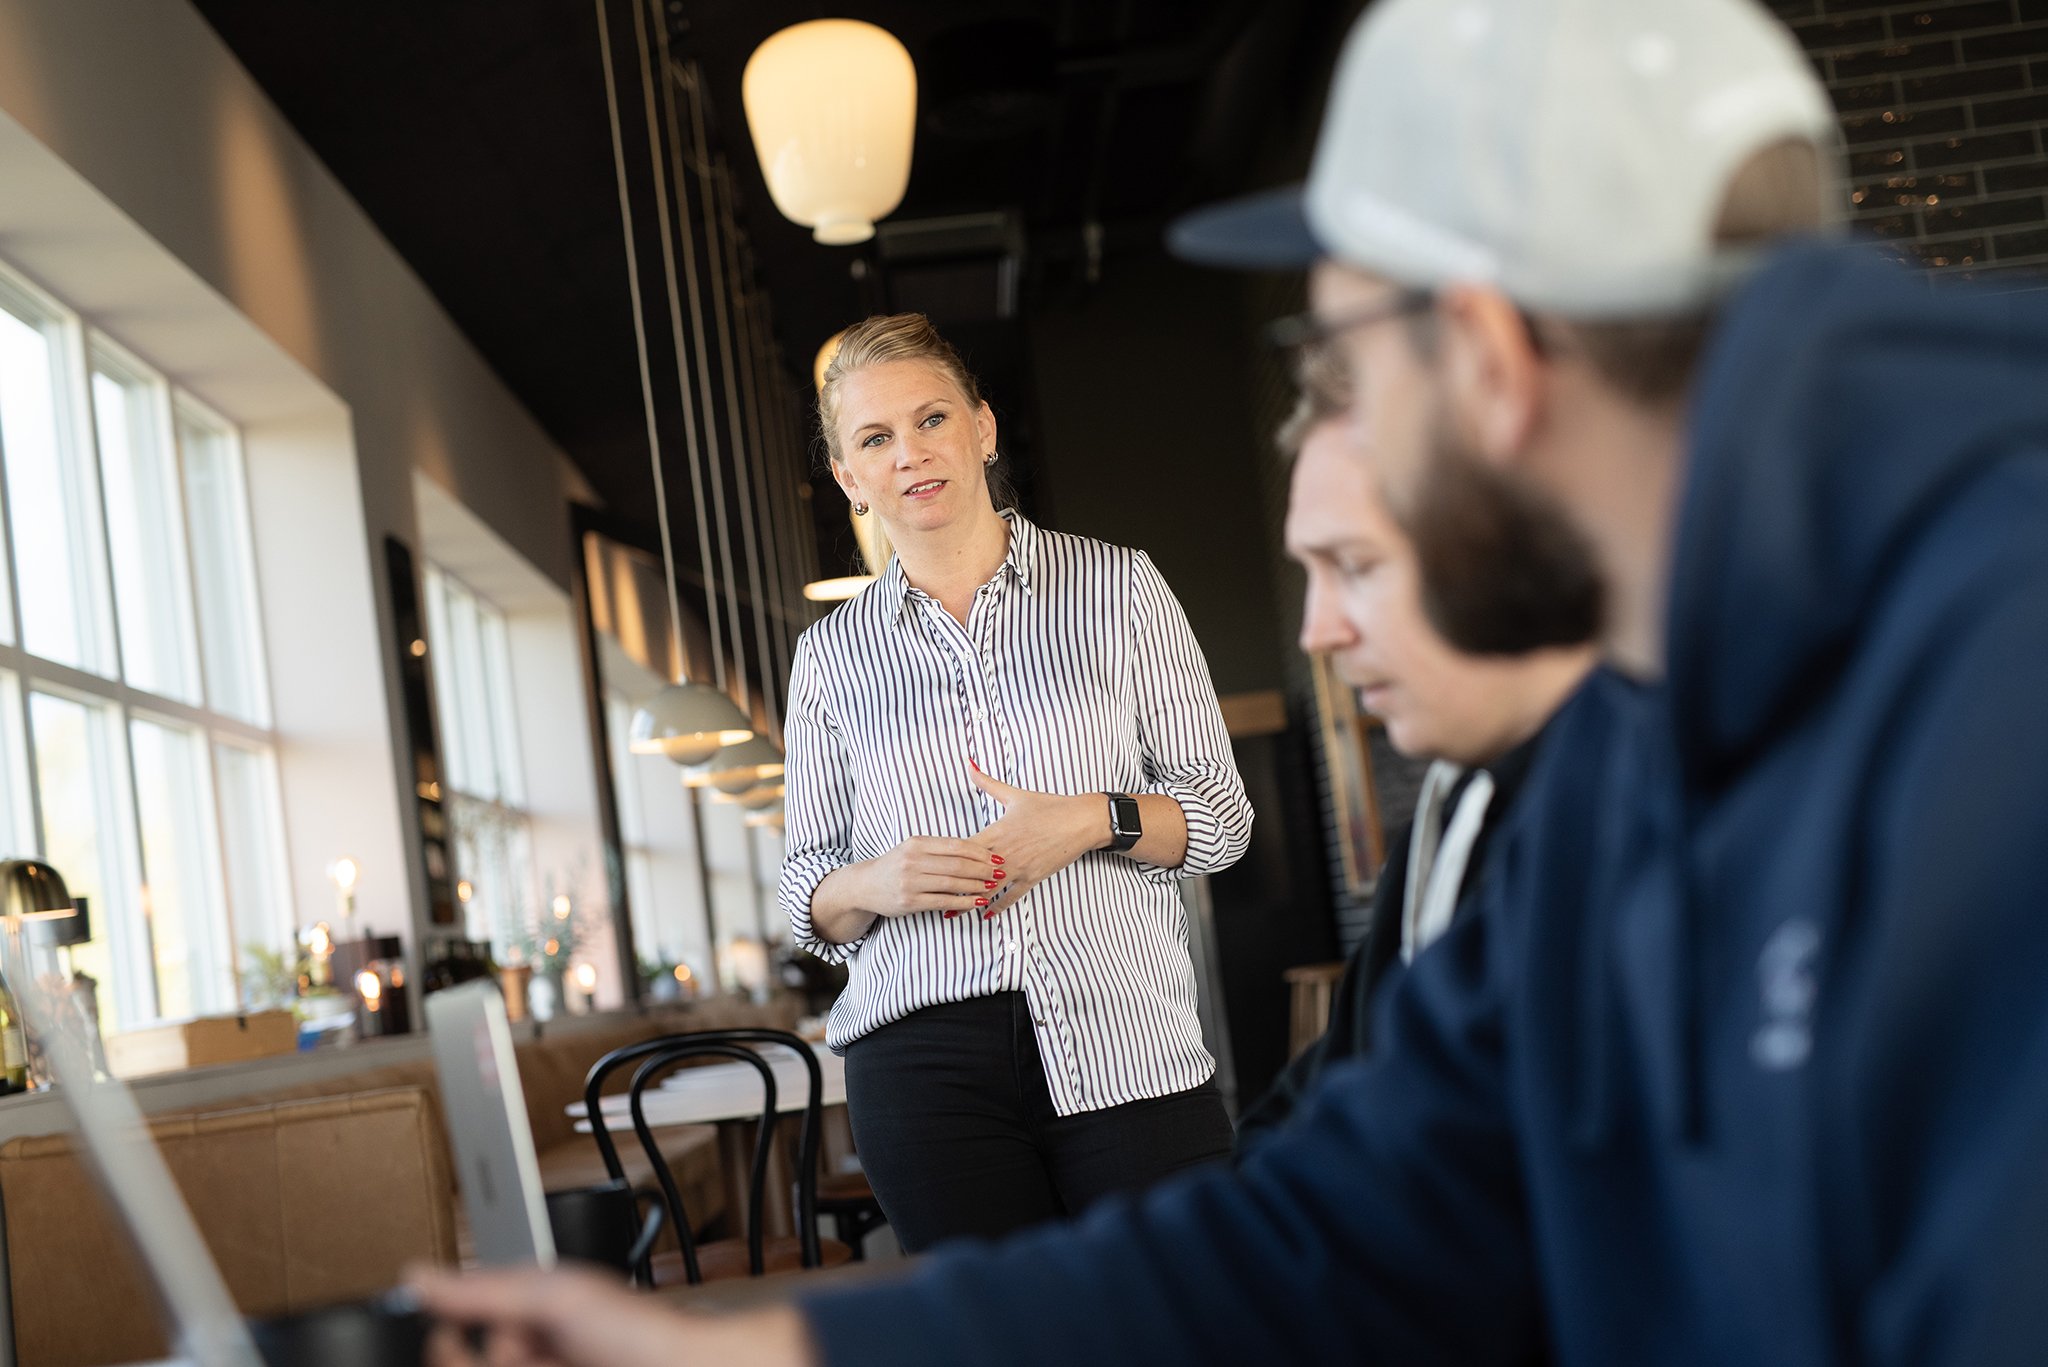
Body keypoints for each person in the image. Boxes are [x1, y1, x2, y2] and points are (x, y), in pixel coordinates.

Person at [414, 0, 2048, 1361]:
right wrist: (750, 1349)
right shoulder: (1624, 731)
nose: (1320, 481)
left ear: (1482, 354)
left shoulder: (1988, 680)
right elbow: (1330, 1224)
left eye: (1334, 372)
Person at [774, 312, 1250, 1252]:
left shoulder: (1120, 590)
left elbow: (1223, 819)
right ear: (849, 480)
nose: (911, 453)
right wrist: (876, 884)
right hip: (920, 1071)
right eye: (875, 438)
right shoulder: (828, 658)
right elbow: (805, 891)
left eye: (932, 419)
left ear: (982, 429)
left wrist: (1087, 820)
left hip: (1126, 1041)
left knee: (1184, 1323)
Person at [1236, 347, 1595, 1153]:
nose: (1316, 631)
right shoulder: (1455, 800)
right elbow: (1338, 1089)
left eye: (1355, 566)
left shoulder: (1647, 820)